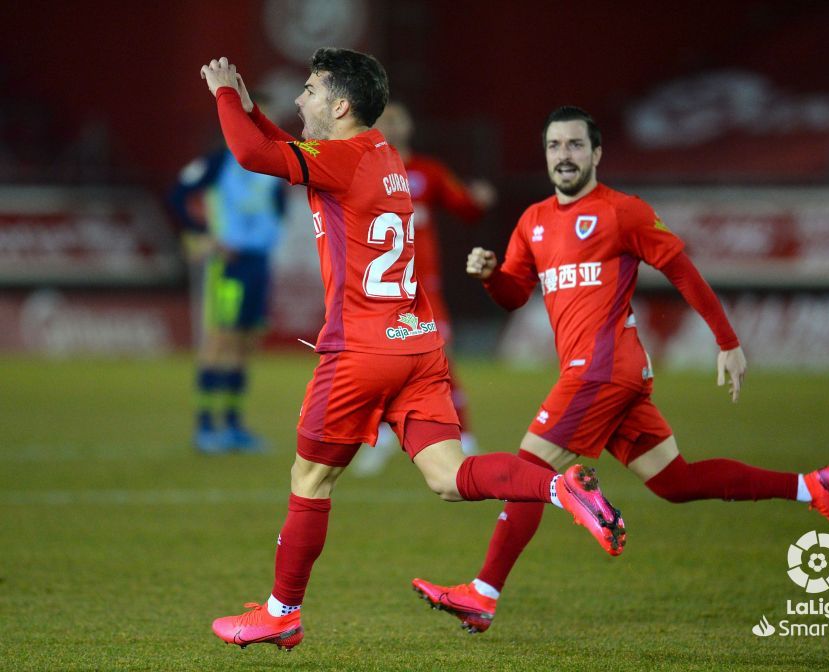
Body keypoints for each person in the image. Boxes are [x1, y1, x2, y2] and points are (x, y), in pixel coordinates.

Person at [198, 52, 627, 650]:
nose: (299, 100)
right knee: (449, 477)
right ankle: (559, 487)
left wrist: (222, 95)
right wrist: (249, 108)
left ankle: (281, 612)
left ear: (340, 106)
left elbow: (250, 155)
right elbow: (282, 150)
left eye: (310, 89)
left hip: (360, 351)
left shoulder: (344, 161)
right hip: (416, 346)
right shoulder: (382, 156)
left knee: (311, 477)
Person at [411, 106, 829, 635]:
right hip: (613, 376)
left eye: (576, 145)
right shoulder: (533, 221)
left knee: (529, 471)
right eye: (555, 146)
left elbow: (680, 270)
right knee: (675, 481)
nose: (564, 156)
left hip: (599, 370)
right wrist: (491, 276)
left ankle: (483, 594)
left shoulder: (623, 212)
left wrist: (728, 341)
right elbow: (514, 294)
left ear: (597, 153)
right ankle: (813, 486)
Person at [352, 102, 495, 475]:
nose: (392, 127)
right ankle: (381, 435)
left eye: (398, 119)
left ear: (409, 125)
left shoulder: (427, 173)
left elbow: (465, 206)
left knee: (440, 359)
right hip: (381, 289)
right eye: (385, 121)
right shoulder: (362, 168)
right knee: (378, 361)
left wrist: (477, 200)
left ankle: (463, 436)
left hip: (423, 287)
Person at [170, 120, 286, 454]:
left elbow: (278, 204)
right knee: (221, 339)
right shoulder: (218, 161)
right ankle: (206, 427)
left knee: (246, 343)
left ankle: (234, 426)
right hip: (229, 264)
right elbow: (177, 196)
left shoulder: (271, 163)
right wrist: (204, 234)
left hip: (259, 263)